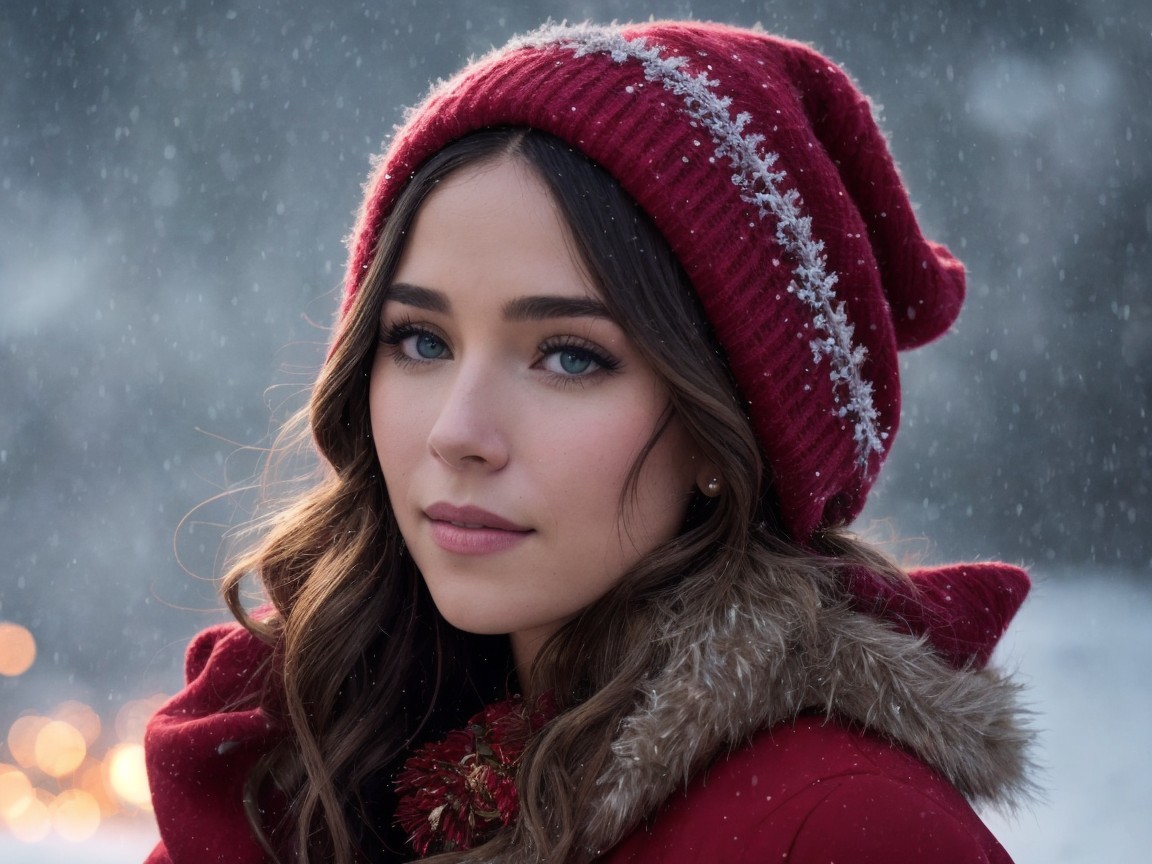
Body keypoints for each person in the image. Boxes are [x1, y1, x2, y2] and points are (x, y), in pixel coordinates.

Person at [144, 20, 1035, 864]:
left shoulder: (840, 825)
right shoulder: (325, 763)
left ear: (728, 435)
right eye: (421, 340)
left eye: (569, 357)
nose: (459, 433)